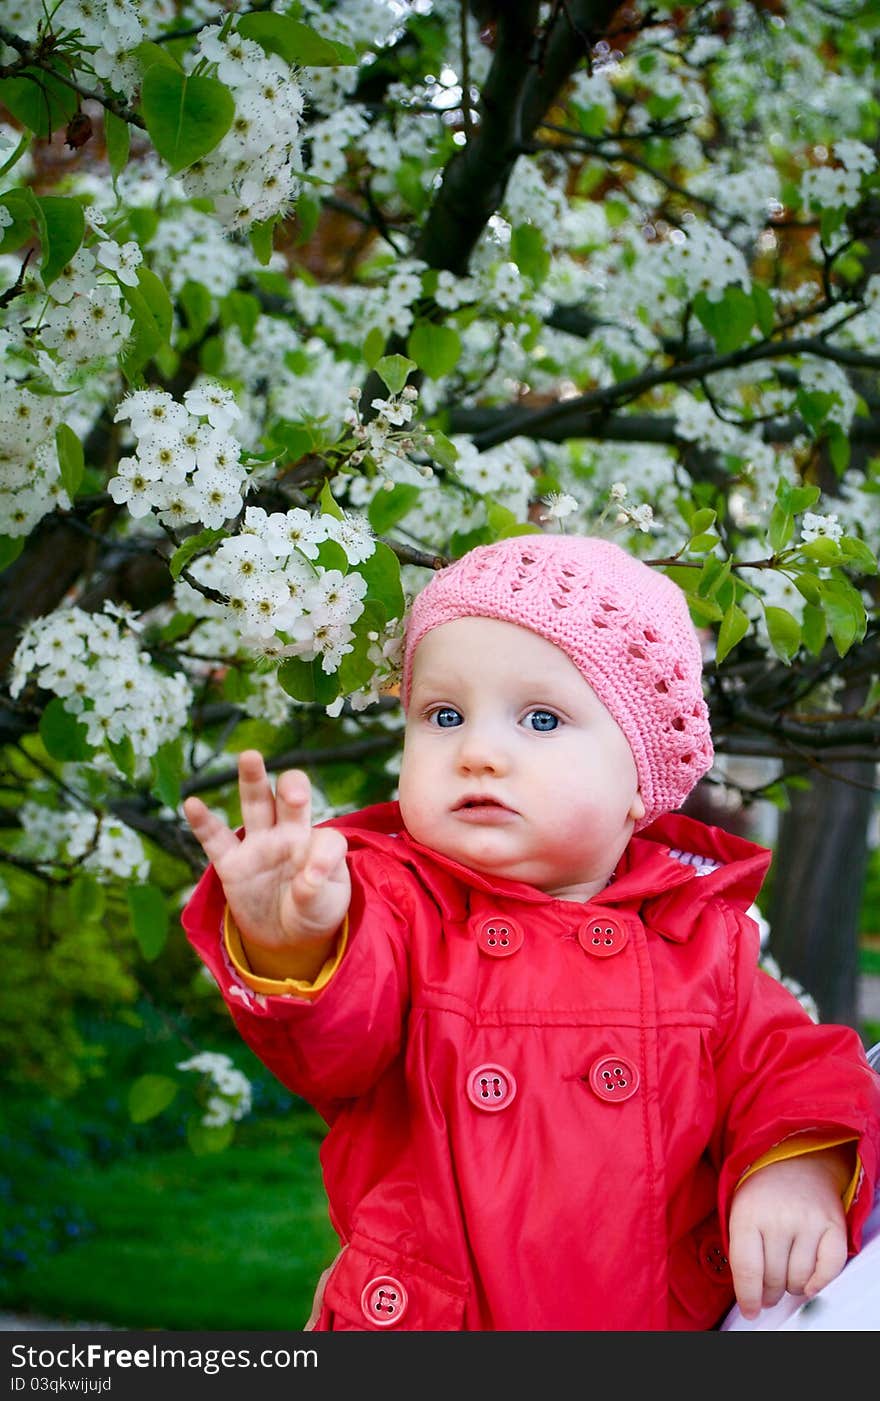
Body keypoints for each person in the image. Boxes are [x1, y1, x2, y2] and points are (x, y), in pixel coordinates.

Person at [181, 532, 880, 1331]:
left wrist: (796, 1166)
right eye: (443, 714)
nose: (478, 751)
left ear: (640, 783)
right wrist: (292, 942)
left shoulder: (699, 942)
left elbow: (795, 1066)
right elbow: (339, 1042)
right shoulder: (395, 903)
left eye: (541, 719)